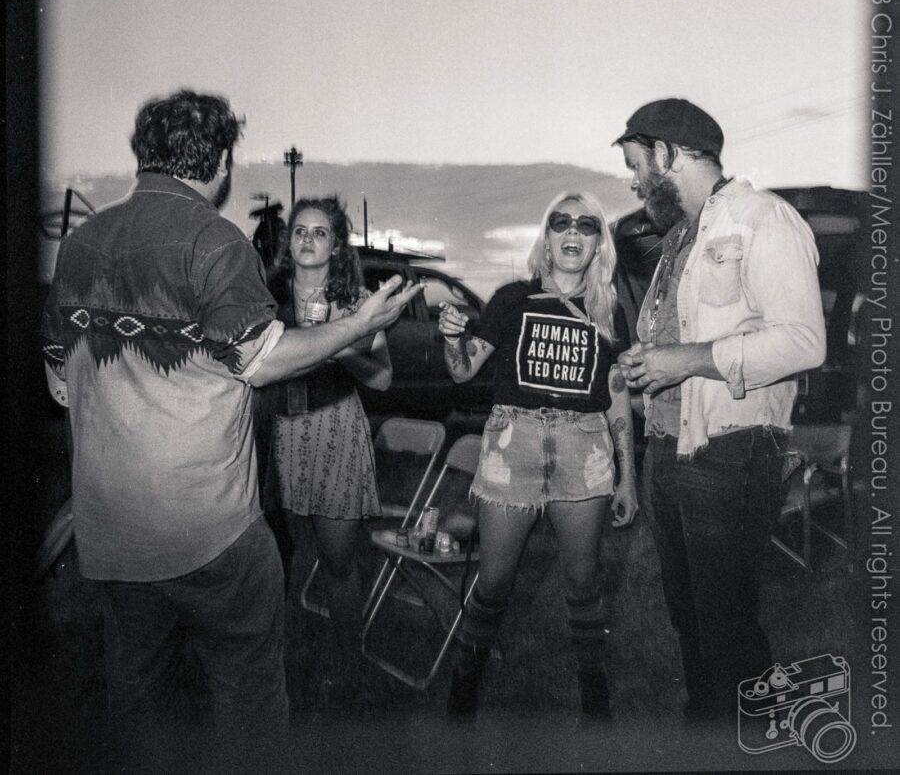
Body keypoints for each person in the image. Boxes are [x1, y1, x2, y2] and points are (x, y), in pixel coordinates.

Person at [39, 90, 420, 766]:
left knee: (139, 711)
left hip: (112, 537)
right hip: (210, 535)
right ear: (218, 163)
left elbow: (61, 382)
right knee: (246, 714)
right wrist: (360, 326)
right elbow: (265, 363)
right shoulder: (213, 242)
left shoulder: (79, 245)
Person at [613, 98, 826, 719]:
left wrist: (683, 361)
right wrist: (647, 364)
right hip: (668, 450)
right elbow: (678, 337)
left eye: (636, 164)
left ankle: (751, 743)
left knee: (727, 628)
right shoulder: (679, 237)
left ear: (670, 154)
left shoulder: (766, 220)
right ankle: (705, 731)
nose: (632, 181)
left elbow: (803, 340)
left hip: (729, 451)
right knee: (688, 620)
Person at [438, 190, 639, 722]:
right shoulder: (510, 300)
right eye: (561, 222)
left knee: (583, 583)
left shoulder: (610, 310)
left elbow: (617, 393)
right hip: (513, 447)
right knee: (495, 581)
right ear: (546, 238)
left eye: (586, 225)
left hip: (585, 448)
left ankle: (594, 701)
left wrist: (628, 479)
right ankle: (464, 692)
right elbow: (462, 371)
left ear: (599, 243)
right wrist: (452, 338)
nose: (573, 233)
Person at [263, 195, 391, 657]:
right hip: (276, 433)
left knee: (338, 562)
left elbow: (383, 379)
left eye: (320, 232)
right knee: (272, 560)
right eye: (300, 231)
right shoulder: (266, 298)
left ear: (337, 246)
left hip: (335, 431)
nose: (308, 239)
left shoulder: (355, 303)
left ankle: (347, 662)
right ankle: (274, 658)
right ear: (288, 242)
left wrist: (343, 342)